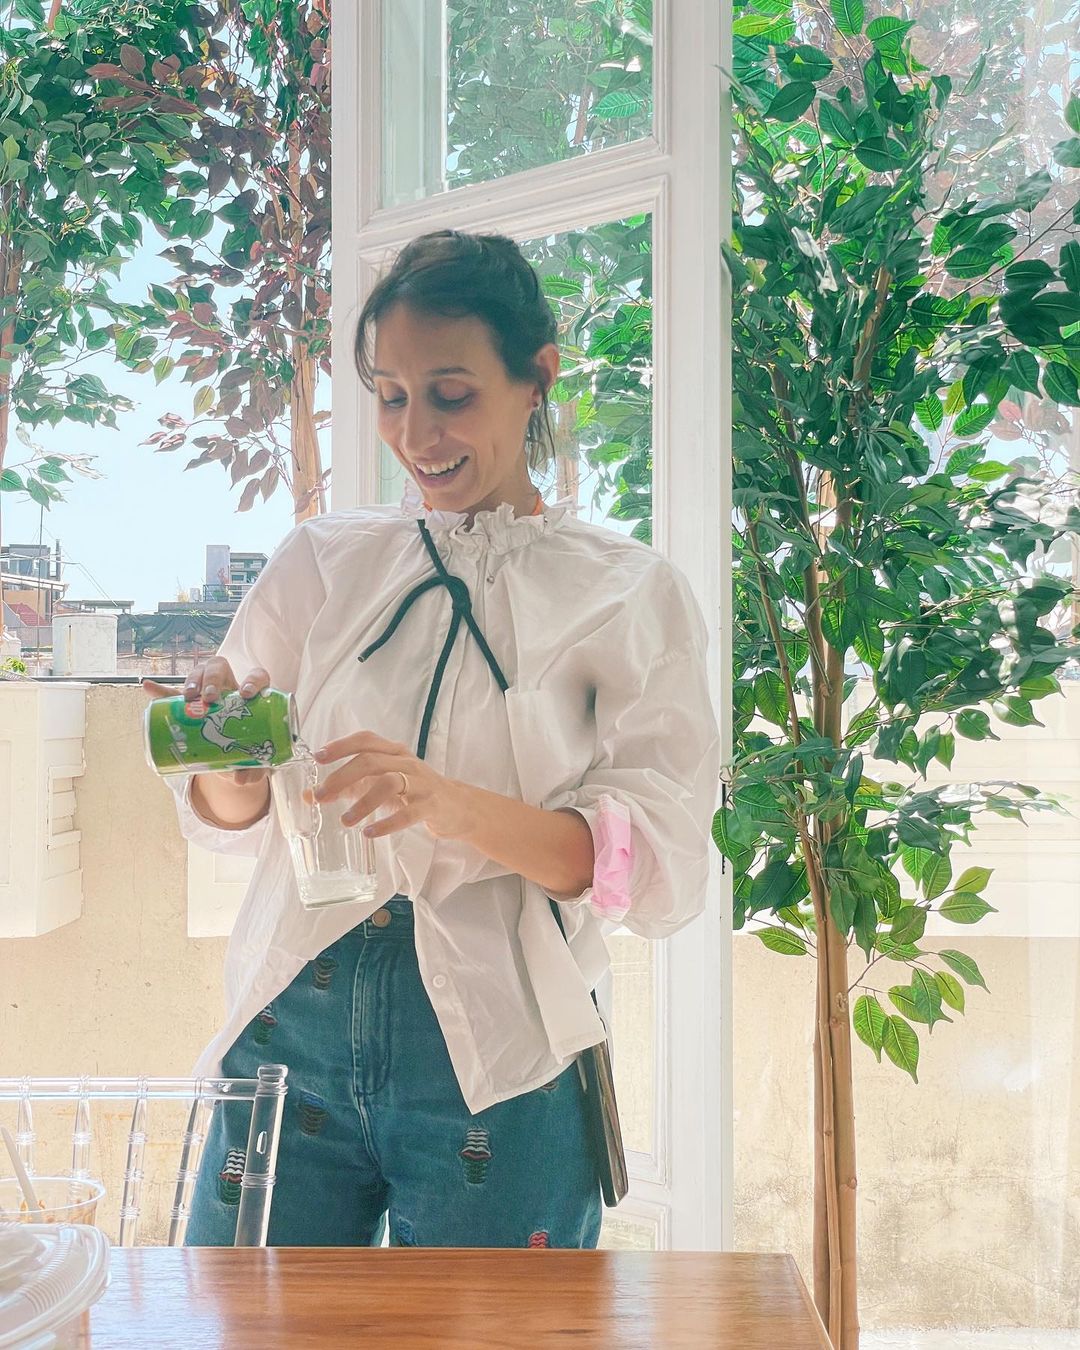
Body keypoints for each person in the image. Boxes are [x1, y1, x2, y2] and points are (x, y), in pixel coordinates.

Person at [144, 229, 719, 1249]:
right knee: (235, 1317)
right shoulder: (324, 560)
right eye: (391, 395)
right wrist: (227, 758)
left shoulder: (627, 591)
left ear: (537, 377)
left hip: (505, 1050)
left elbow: (653, 866)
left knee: (499, 1327)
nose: (416, 433)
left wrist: (449, 805)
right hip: (289, 1020)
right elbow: (233, 813)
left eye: (450, 393)